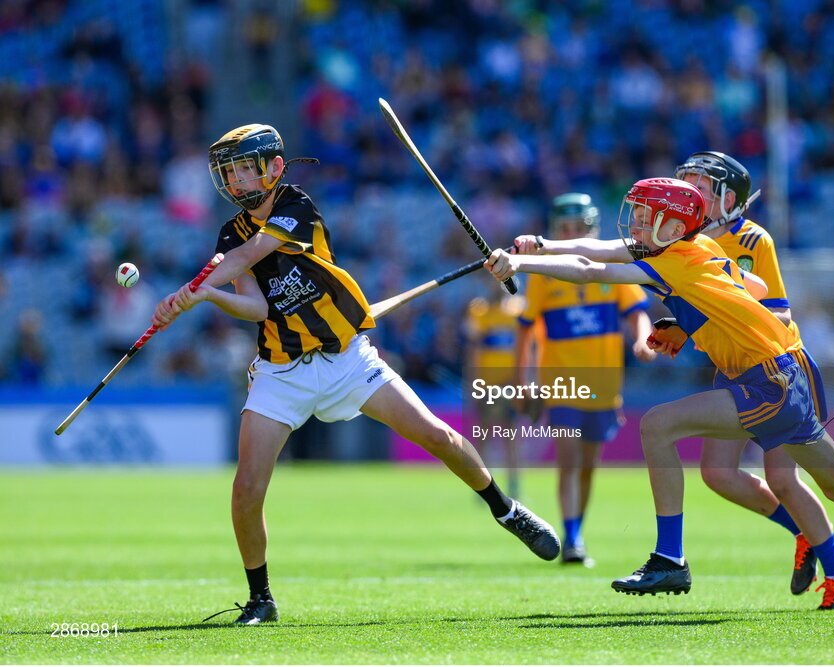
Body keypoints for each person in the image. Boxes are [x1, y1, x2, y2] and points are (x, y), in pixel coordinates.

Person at [488, 177, 834, 615]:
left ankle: (669, 558)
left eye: (642, 215)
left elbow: (590, 268)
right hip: (782, 372)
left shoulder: (671, 259)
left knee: (658, 425)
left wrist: (523, 262)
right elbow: (746, 286)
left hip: (764, 380)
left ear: (672, 225)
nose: (632, 223)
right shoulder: (697, 245)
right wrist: (544, 243)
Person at [151, 124, 560, 625]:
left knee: (437, 436)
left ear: (273, 168)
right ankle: (261, 598)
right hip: (281, 372)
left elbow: (250, 255)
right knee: (246, 490)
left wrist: (192, 286)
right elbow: (258, 306)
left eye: (242, 167)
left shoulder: (294, 206)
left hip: (348, 360)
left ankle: (505, 509)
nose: (234, 180)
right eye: (228, 171)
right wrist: (207, 296)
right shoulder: (228, 232)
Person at [674, 151, 834, 602]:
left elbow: (777, 311)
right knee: (717, 473)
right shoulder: (683, 239)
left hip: (776, 370)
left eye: (699, 186)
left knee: (785, 479)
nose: (689, 193)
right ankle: (804, 535)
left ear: (728, 197)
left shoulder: (753, 240)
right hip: (732, 369)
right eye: (686, 182)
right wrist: (678, 327)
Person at [515, 193, 654, 566]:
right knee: (569, 461)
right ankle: (572, 538)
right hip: (560, 387)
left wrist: (643, 340)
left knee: (589, 464)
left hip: (606, 388)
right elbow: (525, 331)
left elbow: (637, 312)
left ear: (592, 228)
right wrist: (523, 380)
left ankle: (577, 529)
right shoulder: (545, 275)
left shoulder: (612, 270)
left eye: (579, 227)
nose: (573, 233)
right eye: (565, 228)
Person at [464, 276, 526, 497]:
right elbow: (473, 351)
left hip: (510, 383)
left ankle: (514, 486)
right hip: (487, 384)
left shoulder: (518, 309)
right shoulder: (479, 310)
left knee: (510, 435)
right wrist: (473, 383)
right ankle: (481, 487)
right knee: (483, 435)